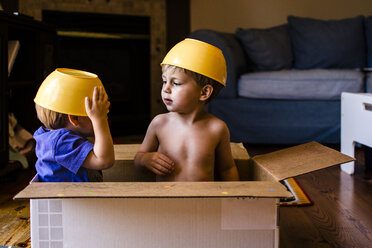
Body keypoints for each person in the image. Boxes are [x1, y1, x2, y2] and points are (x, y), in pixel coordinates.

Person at [134, 38, 239, 181]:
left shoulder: (217, 128)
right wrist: (146, 159)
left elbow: (227, 169)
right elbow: (138, 159)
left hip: (204, 202)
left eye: (176, 83)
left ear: (204, 93)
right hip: (166, 200)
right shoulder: (159, 123)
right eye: (165, 81)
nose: (166, 88)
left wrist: (235, 198)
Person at [33, 68, 115, 182]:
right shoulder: (61, 142)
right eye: (100, 114)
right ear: (75, 118)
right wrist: (99, 120)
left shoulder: (51, 135)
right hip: (68, 199)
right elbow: (104, 161)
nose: (106, 117)